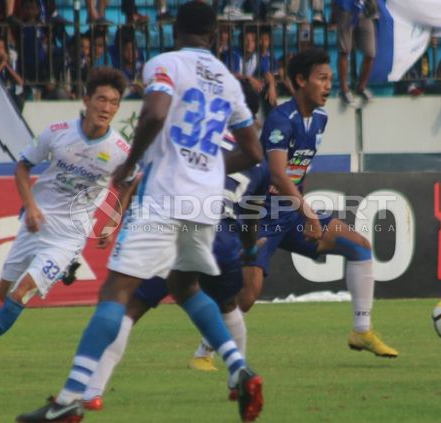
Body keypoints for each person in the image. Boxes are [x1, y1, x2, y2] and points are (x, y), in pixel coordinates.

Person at [15, 2, 264, 422]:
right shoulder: (228, 80)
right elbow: (254, 150)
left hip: (165, 196)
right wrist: (204, 167)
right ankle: (240, 369)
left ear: (175, 30)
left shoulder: (165, 63)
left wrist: (130, 165)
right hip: (205, 203)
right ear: (216, 34)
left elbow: (155, 112)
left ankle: (69, 400)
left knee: (116, 292)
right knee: (185, 288)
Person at [80, 81, 269, 407]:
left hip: (174, 227)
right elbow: (250, 217)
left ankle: (91, 391)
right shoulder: (258, 161)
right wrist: (250, 250)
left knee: (129, 307)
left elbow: (149, 179)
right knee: (227, 307)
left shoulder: (190, 138)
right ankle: (237, 378)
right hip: (222, 239)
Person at [0, 67, 131, 366]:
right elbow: (22, 167)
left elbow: (128, 183)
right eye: (101, 99)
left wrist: (113, 222)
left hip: (69, 235)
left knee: (21, 294)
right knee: (4, 293)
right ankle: (64, 270)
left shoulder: (120, 151)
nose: (107, 108)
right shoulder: (57, 133)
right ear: (86, 100)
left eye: (114, 102)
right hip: (36, 224)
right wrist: (31, 206)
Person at [238, 47, 399, 358]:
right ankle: (204, 352)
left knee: (359, 245)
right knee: (248, 294)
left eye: (331, 79)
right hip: (261, 214)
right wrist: (309, 214)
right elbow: (276, 174)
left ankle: (361, 331)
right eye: (322, 79)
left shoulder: (321, 119)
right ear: (300, 80)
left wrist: (303, 209)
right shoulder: (280, 120)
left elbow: (299, 172)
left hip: (292, 213)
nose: (329, 86)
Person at [332, 0, 377, 108]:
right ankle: (344, 89)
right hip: (346, 6)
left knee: (371, 53)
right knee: (344, 50)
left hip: (365, 7)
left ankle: (361, 87)